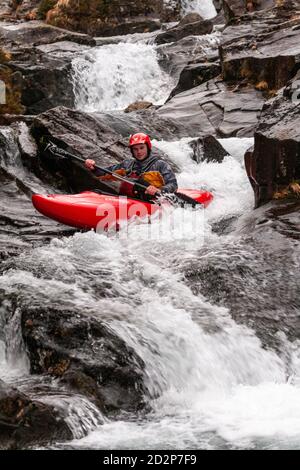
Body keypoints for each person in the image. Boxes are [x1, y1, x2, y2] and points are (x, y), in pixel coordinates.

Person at [85, 133, 178, 199]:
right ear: (132, 151)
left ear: (148, 148)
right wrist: (93, 167)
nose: (139, 152)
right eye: (135, 149)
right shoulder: (127, 164)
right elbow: (105, 174)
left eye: (142, 148)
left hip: (152, 202)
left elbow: (173, 185)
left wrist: (159, 190)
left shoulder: (160, 165)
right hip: (128, 201)